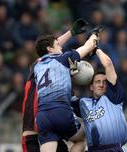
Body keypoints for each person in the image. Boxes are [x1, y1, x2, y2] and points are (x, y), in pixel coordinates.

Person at [21, 18, 89, 152]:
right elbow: (49, 50)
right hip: (33, 135)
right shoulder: (40, 67)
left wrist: (71, 32)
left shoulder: (38, 68)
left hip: (47, 131)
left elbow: (50, 49)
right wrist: (71, 33)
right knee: (82, 140)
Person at [79, 48, 127, 152]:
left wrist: (95, 49)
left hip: (113, 149)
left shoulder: (114, 97)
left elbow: (108, 64)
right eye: (98, 82)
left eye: (105, 82)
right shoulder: (82, 103)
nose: (101, 85)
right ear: (91, 87)